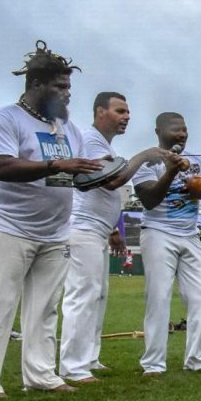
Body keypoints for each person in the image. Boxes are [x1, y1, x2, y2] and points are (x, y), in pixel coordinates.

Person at [0, 41, 105, 397]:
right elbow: (2, 165)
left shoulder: (68, 129)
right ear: (36, 84)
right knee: (0, 305)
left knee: (45, 309)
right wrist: (56, 164)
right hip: (9, 227)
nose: (66, 94)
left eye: (69, 87)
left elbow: (76, 173)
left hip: (56, 231)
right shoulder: (7, 118)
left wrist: (97, 174)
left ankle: (40, 375)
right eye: (60, 86)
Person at [59, 92, 166, 383]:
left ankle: (89, 357)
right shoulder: (90, 139)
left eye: (128, 112)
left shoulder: (102, 144)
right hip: (82, 229)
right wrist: (144, 156)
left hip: (98, 230)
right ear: (100, 112)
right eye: (120, 111)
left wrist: (113, 230)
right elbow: (110, 181)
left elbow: (106, 191)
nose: (126, 117)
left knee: (98, 295)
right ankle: (73, 365)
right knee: (82, 295)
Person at [132, 112, 201, 375]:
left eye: (185, 130)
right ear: (159, 132)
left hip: (189, 234)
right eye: (176, 130)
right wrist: (170, 171)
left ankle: (196, 360)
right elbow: (149, 200)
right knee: (159, 297)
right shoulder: (146, 162)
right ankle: (153, 364)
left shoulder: (197, 161)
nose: (182, 134)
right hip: (158, 232)